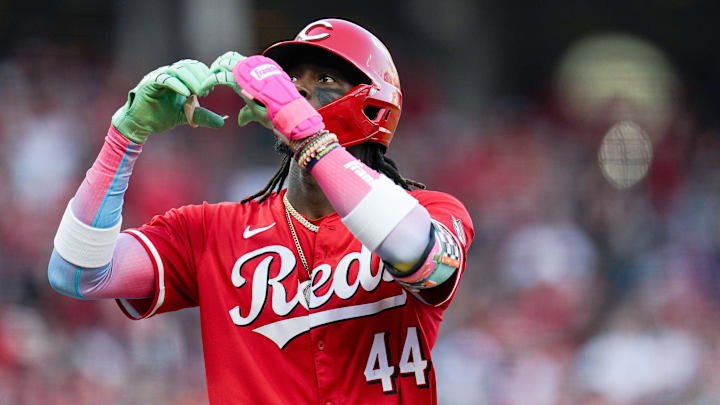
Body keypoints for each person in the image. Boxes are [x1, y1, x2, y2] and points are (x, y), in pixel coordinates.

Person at [48, 18, 474, 405]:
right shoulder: (213, 230)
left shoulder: (427, 211)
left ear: (372, 106)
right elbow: (77, 273)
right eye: (291, 79)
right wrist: (125, 135)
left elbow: (425, 262)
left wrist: (307, 134)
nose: (298, 89)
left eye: (324, 78)